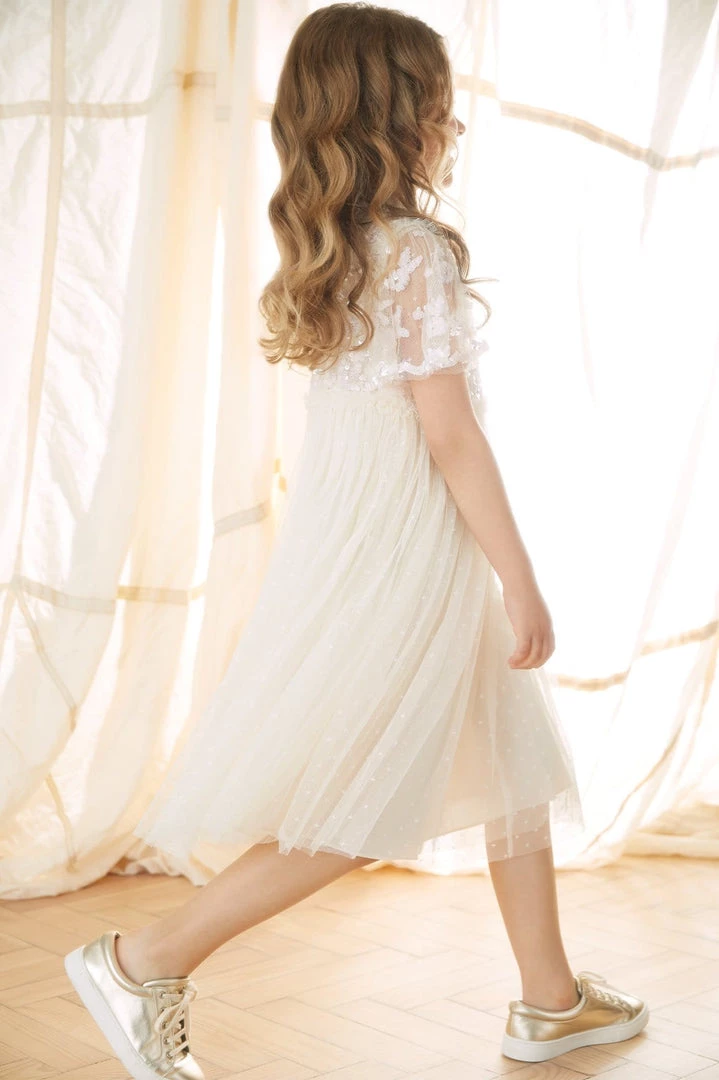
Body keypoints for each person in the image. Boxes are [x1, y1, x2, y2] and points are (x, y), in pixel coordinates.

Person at [63, 4, 649, 1077]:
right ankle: (145, 959)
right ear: (389, 119)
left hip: (365, 544)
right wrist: (520, 581)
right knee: (365, 788)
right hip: (408, 557)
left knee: (509, 759)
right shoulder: (414, 250)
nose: (452, 128)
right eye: (438, 108)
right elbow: (449, 436)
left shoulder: (331, 254)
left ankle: (550, 998)